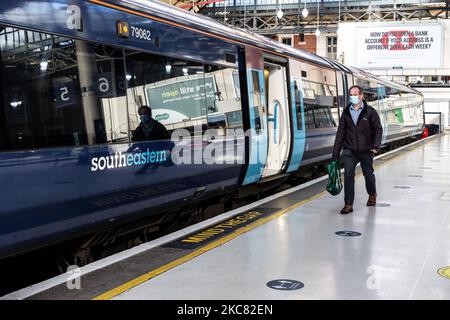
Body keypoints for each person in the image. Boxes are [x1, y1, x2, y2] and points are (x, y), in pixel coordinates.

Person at [332, 85, 383, 214]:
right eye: (351, 95)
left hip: (366, 150)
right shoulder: (346, 112)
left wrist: (375, 146)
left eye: (355, 94)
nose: (353, 97)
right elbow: (341, 133)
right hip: (350, 150)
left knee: (368, 175)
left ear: (361, 96)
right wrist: (335, 153)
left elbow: (378, 129)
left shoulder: (370, 112)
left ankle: (372, 194)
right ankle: (348, 204)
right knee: (348, 176)